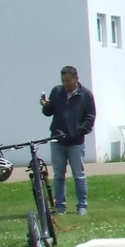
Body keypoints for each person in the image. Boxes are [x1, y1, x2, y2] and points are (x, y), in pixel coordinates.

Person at [40, 65, 96, 215]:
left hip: (76, 142)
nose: (65, 84)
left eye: (68, 81)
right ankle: (60, 207)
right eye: (63, 81)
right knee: (58, 175)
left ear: (76, 79)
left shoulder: (86, 95)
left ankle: (82, 206)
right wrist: (45, 106)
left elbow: (90, 118)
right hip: (57, 141)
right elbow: (49, 112)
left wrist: (78, 131)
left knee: (78, 175)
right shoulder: (57, 92)